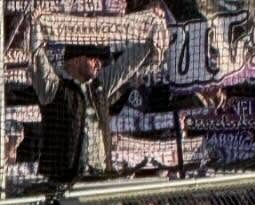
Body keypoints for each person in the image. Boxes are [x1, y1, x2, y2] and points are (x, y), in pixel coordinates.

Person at [29, 24, 169, 187]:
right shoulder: (54, 87)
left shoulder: (99, 85)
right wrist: (35, 28)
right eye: (93, 58)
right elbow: (37, 56)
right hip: (65, 183)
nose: (99, 64)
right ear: (76, 59)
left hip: (100, 178)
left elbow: (126, 65)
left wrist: (150, 40)